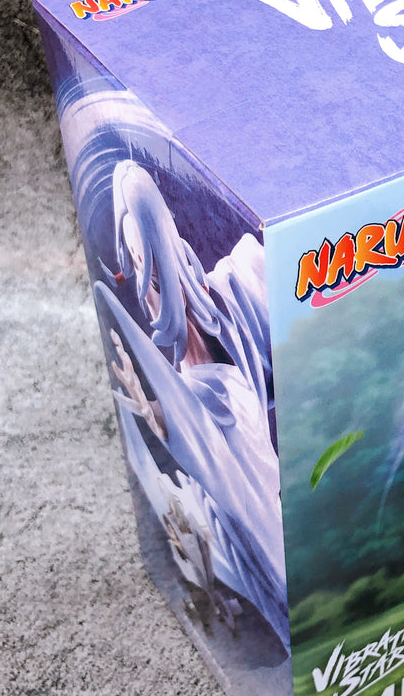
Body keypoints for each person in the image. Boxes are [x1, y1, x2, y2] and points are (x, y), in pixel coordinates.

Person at [97, 161, 289, 650]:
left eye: (140, 255)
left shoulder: (206, 306)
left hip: (247, 474)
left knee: (274, 574)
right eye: (132, 257)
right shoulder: (214, 299)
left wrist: (155, 408)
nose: (138, 271)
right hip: (239, 483)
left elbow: (206, 408)